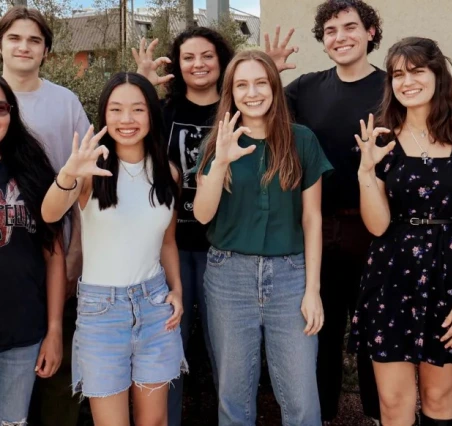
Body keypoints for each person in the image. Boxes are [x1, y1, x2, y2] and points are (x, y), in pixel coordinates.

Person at [348, 37, 452, 426]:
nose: (407, 81)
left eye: (417, 70)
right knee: (394, 403)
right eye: (398, 73)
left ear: (437, 75)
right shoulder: (380, 141)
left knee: (439, 396)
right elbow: (378, 224)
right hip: (390, 277)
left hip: (449, 279)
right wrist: (366, 171)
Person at [194, 49, 333, 426]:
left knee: (302, 401)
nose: (252, 92)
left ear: (274, 86)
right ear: (231, 92)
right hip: (229, 277)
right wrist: (221, 159)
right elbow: (202, 214)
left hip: (291, 276)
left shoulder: (302, 141)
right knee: (234, 399)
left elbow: (312, 219)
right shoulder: (218, 142)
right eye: (242, 84)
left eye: (260, 82)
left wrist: (313, 289)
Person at [41, 72, 187, 426]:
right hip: (101, 313)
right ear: (104, 114)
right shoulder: (91, 170)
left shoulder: (168, 172)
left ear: (151, 114)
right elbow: (50, 212)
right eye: (116, 109)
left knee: (154, 422)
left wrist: (177, 290)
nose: (127, 120)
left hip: (155, 307)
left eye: (137, 109)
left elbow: (167, 242)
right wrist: (69, 175)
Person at [265, 0, 385, 421]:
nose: (341, 37)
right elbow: (260, 115)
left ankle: (378, 414)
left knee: (374, 331)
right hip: (317, 226)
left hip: (377, 229)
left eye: (350, 27)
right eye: (331, 30)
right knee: (322, 330)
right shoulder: (305, 88)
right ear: (323, 40)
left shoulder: (392, 88)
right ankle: (324, 414)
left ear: (370, 32)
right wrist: (271, 74)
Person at [132, 26, 234, 425]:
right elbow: (129, 136)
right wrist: (142, 83)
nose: (199, 64)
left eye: (207, 55)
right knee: (167, 343)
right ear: (177, 65)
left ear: (221, 60)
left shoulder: (235, 108)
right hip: (169, 246)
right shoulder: (164, 112)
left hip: (223, 248)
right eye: (188, 57)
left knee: (224, 349)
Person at [0, 7, 91, 425]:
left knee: (54, 367)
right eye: (15, 37)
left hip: (52, 251)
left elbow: (85, 179)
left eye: (34, 40)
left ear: (46, 51)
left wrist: (77, 249)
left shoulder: (64, 101)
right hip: (10, 252)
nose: (24, 46)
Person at [0, 76, 65, 426]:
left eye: (0, 108)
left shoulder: (32, 169)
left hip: (22, 332)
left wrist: (54, 330)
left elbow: (54, 253)